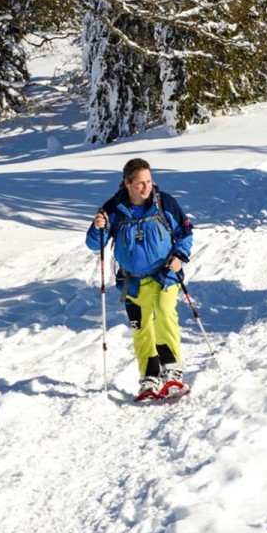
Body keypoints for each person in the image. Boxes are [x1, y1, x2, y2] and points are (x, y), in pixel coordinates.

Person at [86, 157, 194, 400]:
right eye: (140, 184)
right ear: (127, 183)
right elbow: (95, 244)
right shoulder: (113, 208)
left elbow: (185, 233)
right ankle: (149, 377)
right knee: (142, 327)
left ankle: (172, 371)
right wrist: (98, 227)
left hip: (165, 274)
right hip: (131, 281)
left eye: (149, 181)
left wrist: (179, 257)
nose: (146, 187)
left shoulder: (164, 202)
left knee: (165, 314)